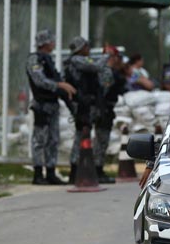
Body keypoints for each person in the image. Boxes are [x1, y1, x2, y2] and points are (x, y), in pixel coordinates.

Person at [25, 30, 76, 185]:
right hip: (41, 105)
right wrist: (59, 85)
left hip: (52, 105)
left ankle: (51, 172)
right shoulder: (35, 59)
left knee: (53, 140)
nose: (54, 44)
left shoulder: (48, 59)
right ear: (45, 43)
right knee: (39, 140)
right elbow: (39, 80)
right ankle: (38, 173)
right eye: (52, 41)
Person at [64, 36, 110, 184]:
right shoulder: (76, 60)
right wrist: (107, 55)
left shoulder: (81, 60)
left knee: (86, 136)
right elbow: (95, 66)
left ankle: (86, 170)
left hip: (89, 104)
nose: (88, 49)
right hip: (82, 106)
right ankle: (74, 171)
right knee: (80, 137)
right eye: (86, 46)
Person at [92, 45, 128, 184]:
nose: (118, 60)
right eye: (116, 57)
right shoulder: (106, 72)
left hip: (106, 109)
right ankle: (97, 169)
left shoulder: (111, 71)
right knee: (101, 141)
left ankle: (98, 168)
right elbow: (103, 93)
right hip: (103, 109)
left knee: (103, 140)